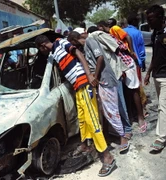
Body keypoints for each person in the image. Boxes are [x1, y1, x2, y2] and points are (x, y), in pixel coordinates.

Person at [35, 35, 116, 177]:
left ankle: (107, 157)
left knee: (92, 121)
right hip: (78, 87)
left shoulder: (60, 43)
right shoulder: (54, 53)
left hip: (84, 83)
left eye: (40, 50)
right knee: (83, 120)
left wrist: (90, 75)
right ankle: (85, 145)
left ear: (42, 46)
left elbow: (78, 53)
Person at [68, 30, 131, 154]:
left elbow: (100, 58)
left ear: (74, 41)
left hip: (105, 79)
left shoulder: (90, 41)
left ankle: (123, 137)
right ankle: (109, 135)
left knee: (112, 110)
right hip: (100, 82)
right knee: (105, 111)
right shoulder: (84, 48)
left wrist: (95, 77)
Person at [144, 5, 166, 152]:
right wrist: (148, 73)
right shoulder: (155, 34)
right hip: (157, 75)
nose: (149, 23)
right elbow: (154, 56)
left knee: (162, 107)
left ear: (161, 18)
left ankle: (161, 138)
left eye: (151, 19)